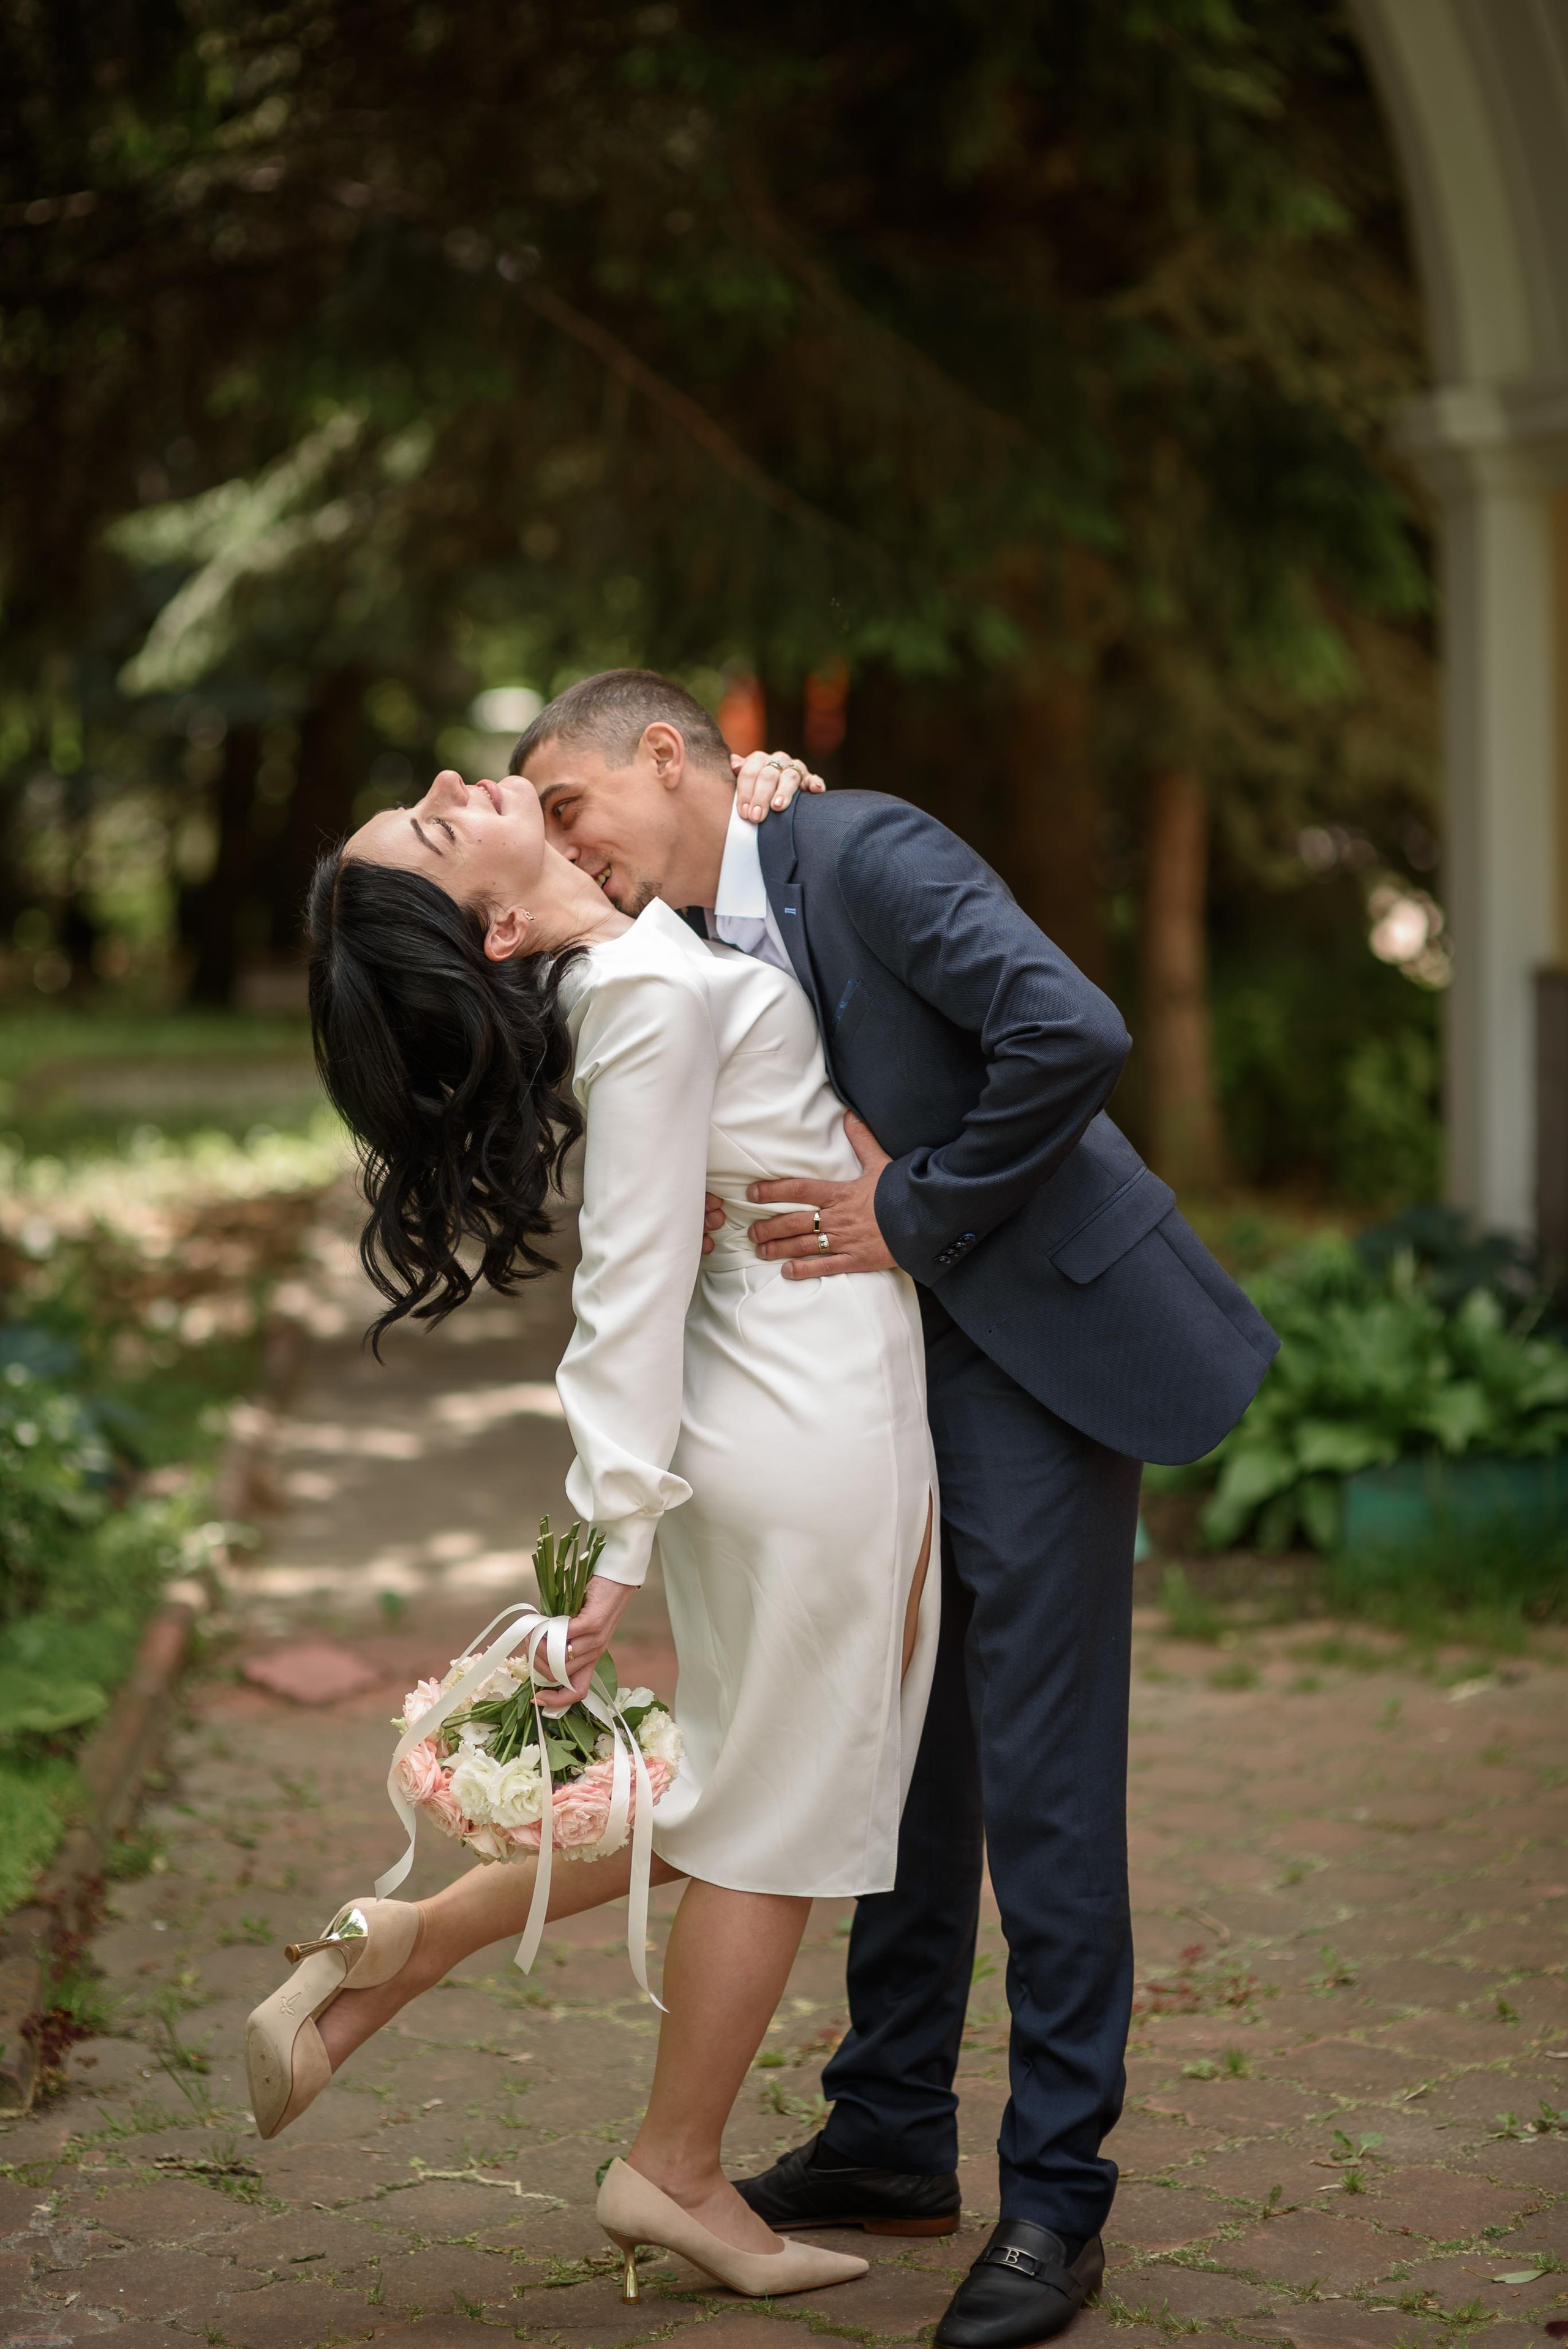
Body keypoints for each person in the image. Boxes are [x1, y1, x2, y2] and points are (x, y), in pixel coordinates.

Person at [508, 669, 1280, 2349]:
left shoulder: (856, 850)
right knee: (899, 1753)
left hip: (1030, 1346)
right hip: (873, 1374)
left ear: (665, 754)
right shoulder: (687, 922)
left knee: (1043, 1775)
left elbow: (1070, 1030)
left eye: (571, 802)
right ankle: (889, 2130)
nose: (569, 843)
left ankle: (1059, 2199)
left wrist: (915, 1207)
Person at [244, 754, 939, 2307]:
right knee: (782, 1825)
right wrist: (610, 1544)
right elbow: (624, 1287)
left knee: (750, 1788)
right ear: (494, 934)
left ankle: (401, 1947)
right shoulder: (639, 993)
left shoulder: (639, 965)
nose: (449, 776)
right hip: (809, 1416)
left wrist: (755, 785)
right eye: (435, 827)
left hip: (781, 1403)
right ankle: (674, 2171)